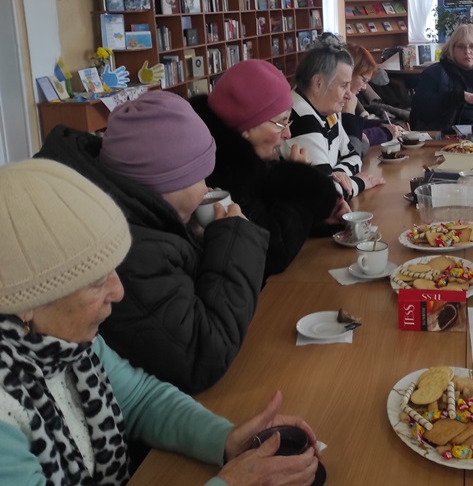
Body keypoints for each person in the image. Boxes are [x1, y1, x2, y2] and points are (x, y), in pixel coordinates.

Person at [0, 158, 321, 486]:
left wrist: (225, 438)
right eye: (96, 282)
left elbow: (141, 400)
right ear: (25, 304)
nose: (118, 291)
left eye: (114, 270)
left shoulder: (65, 343)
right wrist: (233, 482)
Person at [36, 91, 267, 394]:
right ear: (164, 183)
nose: (206, 189)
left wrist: (196, 239)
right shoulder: (127, 251)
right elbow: (203, 354)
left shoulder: (136, 213)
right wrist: (234, 241)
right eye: (199, 177)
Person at [190, 59, 348, 277]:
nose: (288, 134)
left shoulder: (254, 161)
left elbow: (274, 213)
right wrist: (299, 184)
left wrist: (324, 215)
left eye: (288, 121)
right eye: (281, 123)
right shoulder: (224, 174)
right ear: (246, 127)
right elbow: (273, 252)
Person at [283, 42, 385, 198]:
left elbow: (353, 156)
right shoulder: (301, 118)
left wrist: (338, 173)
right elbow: (327, 196)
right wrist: (360, 183)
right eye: (343, 86)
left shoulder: (328, 112)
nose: (349, 95)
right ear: (318, 84)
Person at [342, 44, 405, 156]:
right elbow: (351, 141)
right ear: (349, 73)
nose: (364, 87)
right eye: (363, 80)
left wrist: (381, 124)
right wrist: (385, 133)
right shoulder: (333, 104)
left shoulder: (348, 101)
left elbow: (357, 126)